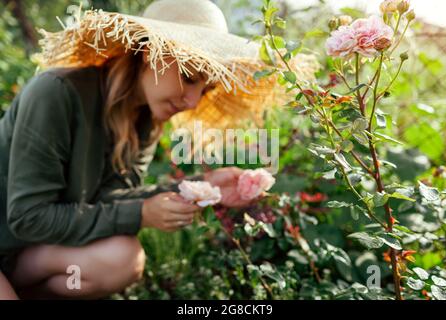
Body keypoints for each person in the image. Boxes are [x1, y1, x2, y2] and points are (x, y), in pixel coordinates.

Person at [0, 0, 311, 299]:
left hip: (27, 253)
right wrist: (141, 213)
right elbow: (29, 216)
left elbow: (109, 200)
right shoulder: (57, 93)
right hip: (18, 239)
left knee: (122, 259)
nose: (192, 102)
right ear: (151, 53)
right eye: (189, 78)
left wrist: (199, 189)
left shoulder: (143, 119)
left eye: (206, 88)